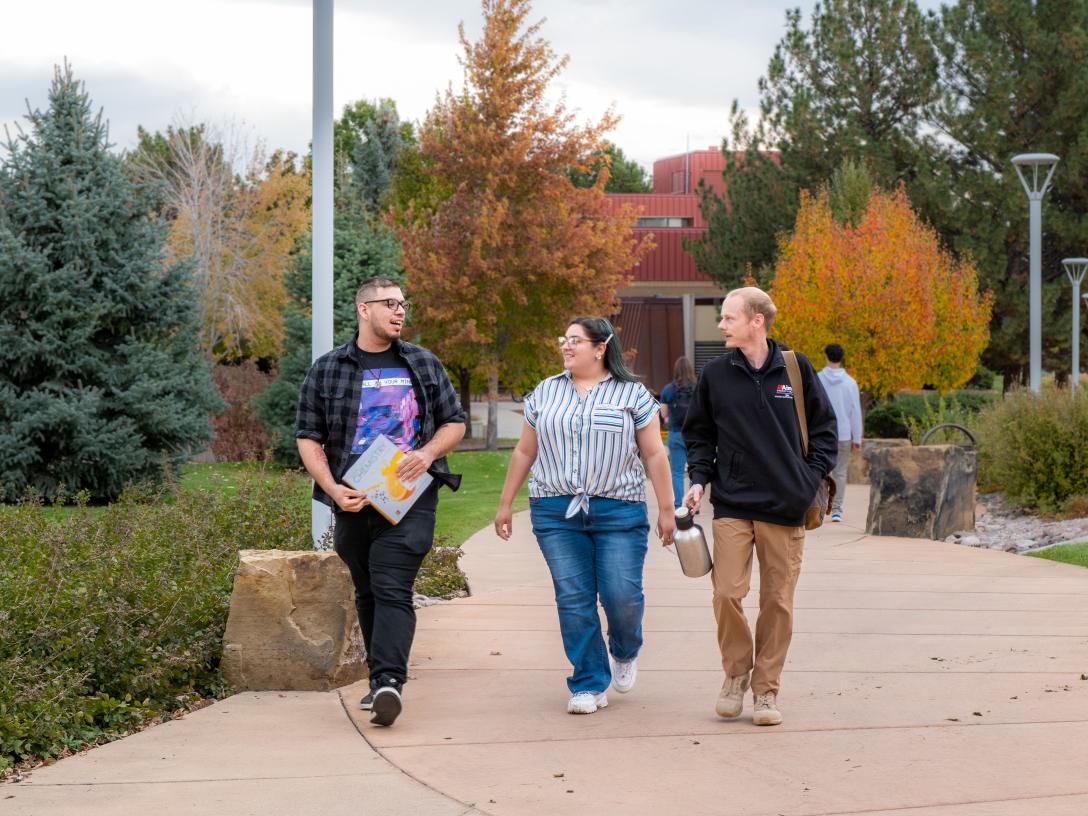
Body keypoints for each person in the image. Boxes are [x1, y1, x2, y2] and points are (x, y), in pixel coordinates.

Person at [295, 277, 466, 728]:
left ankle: (390, 681)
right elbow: (308, 435)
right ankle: (379, 682)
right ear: (363, 309)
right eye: (389, 304)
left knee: (391, 585)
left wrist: (427, 454)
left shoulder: (422, 364)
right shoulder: (328, 369)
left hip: (411, 498)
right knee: (367, 590)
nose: (399, 311)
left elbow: (455, 423)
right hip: (351, 500)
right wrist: (332, 489)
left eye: (403, 304)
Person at [495, 317, 676, 715]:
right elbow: (525, 451)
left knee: (621, 596)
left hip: (619, 511)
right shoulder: (545, 392)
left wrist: (666, 509)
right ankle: (588, 682)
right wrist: (506, 503)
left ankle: (624, 650)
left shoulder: (632, 395)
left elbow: (654, 454)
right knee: (574, 598)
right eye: (564, 339)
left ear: (600, 347)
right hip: (555, 511)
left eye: (575, 340)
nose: (566, 346)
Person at [682, 287, 836, 726]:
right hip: (732, 502)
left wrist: (808, 479)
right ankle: (735, 674)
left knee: (777, 601)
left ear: (757, 321)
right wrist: (699, 479)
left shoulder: (795, 368)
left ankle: (765, 691)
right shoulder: (715, 374)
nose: (721, 325)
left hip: (786, 506)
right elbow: (699, 434)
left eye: (729, 318)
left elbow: (825, 429)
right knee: (726, 593)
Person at [817, 343, 863, 523]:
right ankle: (836, 510)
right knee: (841, 472)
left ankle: (819, 506)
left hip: (821, 433)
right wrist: (857, 437)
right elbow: (855, 412)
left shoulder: (817, 379)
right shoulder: (850, 383)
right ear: (841, 357)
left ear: (826, 356)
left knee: (820, 471)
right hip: (843, 434)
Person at [659, 356, 696, 508]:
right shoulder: (698, 387)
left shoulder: (668, 389)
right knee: (696, 471)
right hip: (695, 435)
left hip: (675, 434)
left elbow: (663, 414)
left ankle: (680, 505)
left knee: (677, 473)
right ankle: (694, 501)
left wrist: (669, 418)